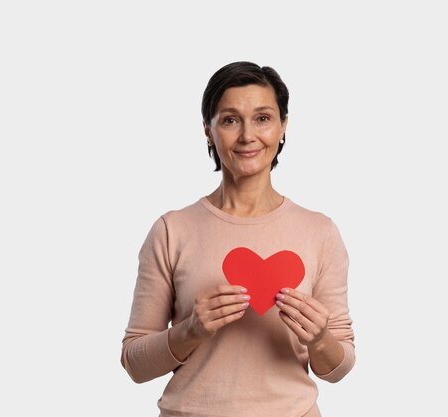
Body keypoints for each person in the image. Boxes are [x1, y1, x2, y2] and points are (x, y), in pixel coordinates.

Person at [121, 61, 355, 417]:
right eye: (230, 119)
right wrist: (190, 331)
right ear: (207, 129)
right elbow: (134, 364)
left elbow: (339, 367)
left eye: (263, 118)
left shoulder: (320, 231)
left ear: (283, 127)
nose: (248, 135)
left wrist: (320, 338)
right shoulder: (172, 229)